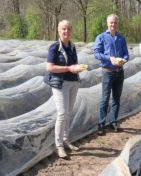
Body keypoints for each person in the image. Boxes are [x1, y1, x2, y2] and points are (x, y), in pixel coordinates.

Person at [44, 20, 85, 158]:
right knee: (62, 113)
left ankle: (66, 140)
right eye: (63, 29)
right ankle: (58, 145)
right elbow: (49, 67)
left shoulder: (72, 46)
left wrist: (77, 68)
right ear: (58, 31)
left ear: (71, 31)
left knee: (69, 112)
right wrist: (68, 68)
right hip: (60, 84)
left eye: (68, 29)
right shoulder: (54, 47)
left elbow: (74, 64)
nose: (66, 31)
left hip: (73, 82)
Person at [93, 14, 129, 136]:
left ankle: (113, 121)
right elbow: (96, 53)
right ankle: (101, 124)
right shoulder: (101, 37)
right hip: (107, 71)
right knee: (105, 99)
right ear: (107, 23)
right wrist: (109, 58)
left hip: (119, 72)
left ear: (117, 24)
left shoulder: (121, 38)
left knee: (116, 99)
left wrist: (123, 60)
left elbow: (126, 54)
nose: (113, 24)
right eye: (111, 22)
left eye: (115, 22)